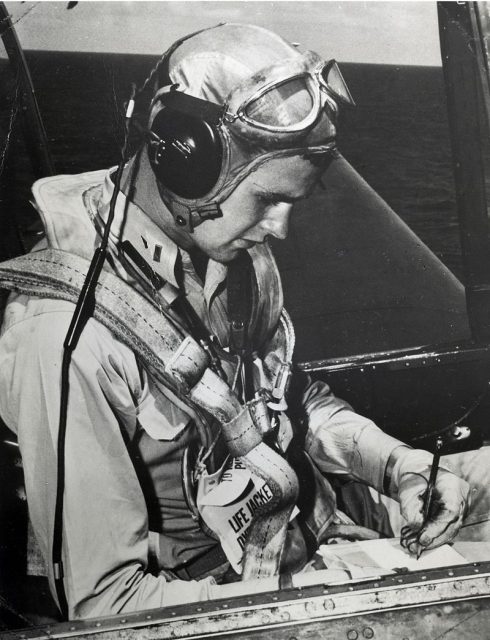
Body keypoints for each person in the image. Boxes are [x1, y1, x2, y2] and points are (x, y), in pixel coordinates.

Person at [0, 22, 484, 621]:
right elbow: (105, 607)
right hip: (229, 595)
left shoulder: (235, 253)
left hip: (323, 524)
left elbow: (290, 402)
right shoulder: (65, 336)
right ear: (185, 160)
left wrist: (397, 466)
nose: (279, 230)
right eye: (266, 200)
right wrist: (330, 603)